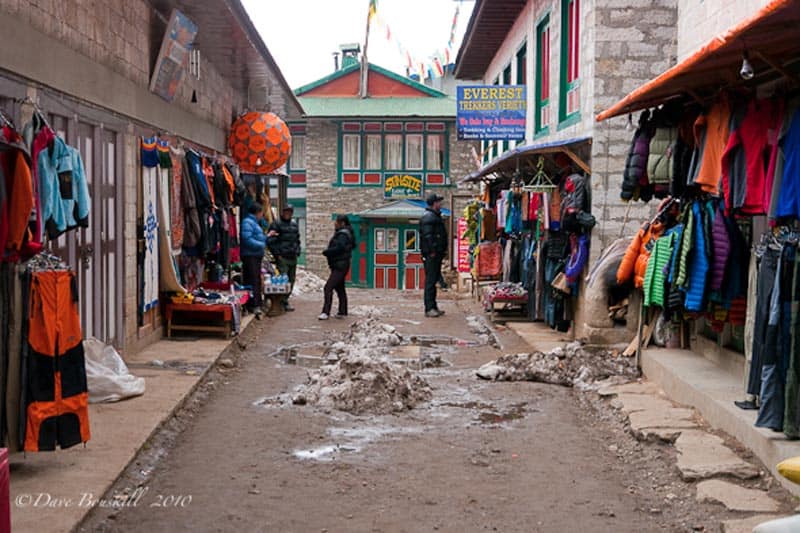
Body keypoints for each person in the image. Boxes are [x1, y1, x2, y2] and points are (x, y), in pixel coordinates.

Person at [319, 215, 356, 320]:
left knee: (328, 288)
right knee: (340, 289)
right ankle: (342, 311)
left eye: (337, 222)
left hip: (340, 265)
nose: (335, 223)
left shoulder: (343, 235)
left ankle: (325, 312)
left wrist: (327, 252)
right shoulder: (346, 233)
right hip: (340, 264)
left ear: (342, 223)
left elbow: (340, 248)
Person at [267, 205, 301, 311]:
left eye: (290, 212)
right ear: (282, 212)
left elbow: (297, 240)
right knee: (284, 279)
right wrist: (277, 254)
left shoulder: (294, 225)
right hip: (282, 257)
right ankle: (282, 302)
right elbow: (270, 241)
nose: (288, 214)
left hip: (292, 256)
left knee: (291, 279)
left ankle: (285, 299)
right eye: (286, 211)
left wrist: (298, 250)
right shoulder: (276, 224)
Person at [419, 193, 448, 317]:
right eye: (438, 202)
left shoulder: (433, 216)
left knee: (434, 279)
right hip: (432, 254)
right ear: (434, 203)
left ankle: (433, 306)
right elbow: (428, 236)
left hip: (435, 253)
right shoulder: (429, 217)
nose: (440, 204)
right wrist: (433, 250)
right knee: (430, 281)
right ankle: (429, 308)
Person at [240, 202, 267, 319]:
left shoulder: (254, 223)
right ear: (257, 212)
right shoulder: (248, 222)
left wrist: (266, 238)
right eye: (261, 212)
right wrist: (261, 244)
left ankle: (256, 303)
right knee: (252, 279)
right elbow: (246, 238)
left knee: (255, 279)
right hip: (250, 255)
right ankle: (253, 304)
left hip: (255, 255)